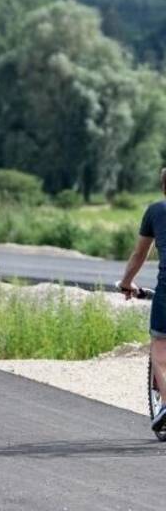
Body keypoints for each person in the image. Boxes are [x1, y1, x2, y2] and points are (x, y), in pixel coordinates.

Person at [117, 167, 166, 432]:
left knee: (160, 351)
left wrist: (126, 283)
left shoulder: (156, 211)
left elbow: (139, 255)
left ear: (163, 187)